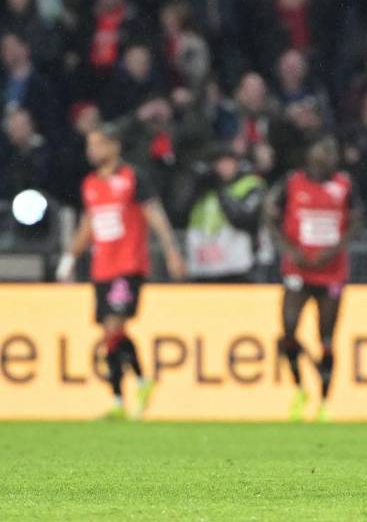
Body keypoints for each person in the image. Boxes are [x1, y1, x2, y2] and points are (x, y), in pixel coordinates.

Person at [55, 124, 186, 420]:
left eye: (98, 144)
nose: (92, 151)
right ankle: (126, 394)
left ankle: (130, 391)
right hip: (102, 267)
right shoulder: (90, 183)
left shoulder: (132, 178)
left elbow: (155, 215)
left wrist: (172, 251)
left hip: (128, 266)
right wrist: (68, 260)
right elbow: (87, 226)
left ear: (115, 146)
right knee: (110, 333)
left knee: (113, 327)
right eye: (90, 145)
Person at [265, 135, 362, 422]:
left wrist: (334, 250)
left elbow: (357, 222)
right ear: (310, 154)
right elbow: (270, 217)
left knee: (327, 338)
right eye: (324, 150)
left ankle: (322, 402)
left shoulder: (344, 186)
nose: (329, 156)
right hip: (298, 269)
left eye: (332, 151)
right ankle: (299, 387)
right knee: (288, 332)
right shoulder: (291, 183)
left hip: (331, 271)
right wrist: (289, 250)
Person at [184, 145, 265, 282]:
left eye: (228, 162)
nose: (223, 167)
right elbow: (179, 214)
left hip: (238, 268)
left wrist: (220, 189)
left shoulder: (250, 185)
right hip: (203, 266)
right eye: (219, 163)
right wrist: (196, 189)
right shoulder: (203, 188)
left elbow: (244, 219)